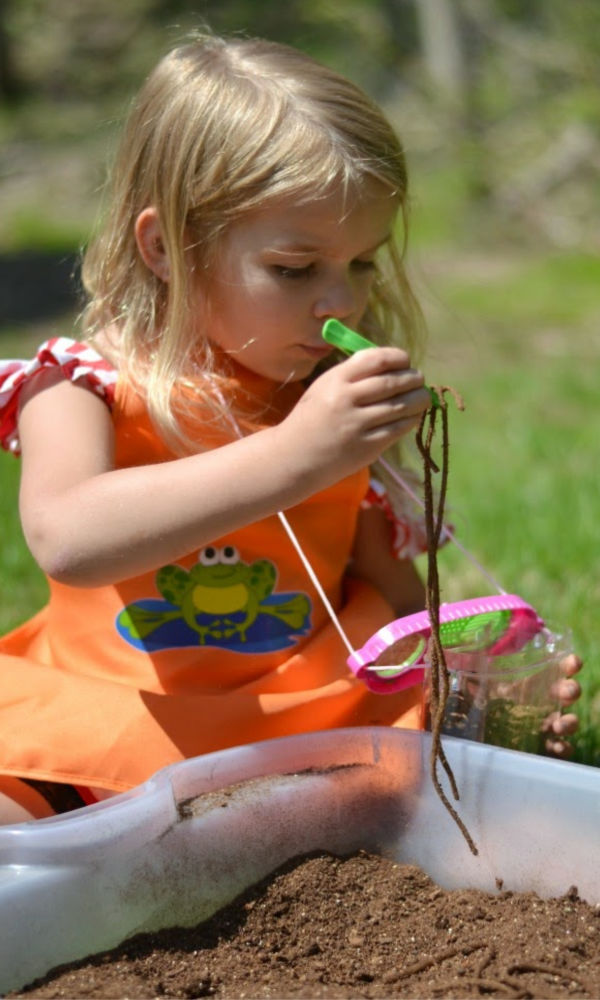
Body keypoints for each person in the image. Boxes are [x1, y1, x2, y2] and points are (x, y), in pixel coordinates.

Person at [0, 33, 581, 824]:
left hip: (303, 729)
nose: (340, 302)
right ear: (165, 248)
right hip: (120, 723)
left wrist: (475, 690)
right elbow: (67, 538)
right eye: (295, 269)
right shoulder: (83, 386)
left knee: (457, 793)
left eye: (363, 263)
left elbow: (395, 603)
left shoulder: (326, 402)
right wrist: (293, 455)